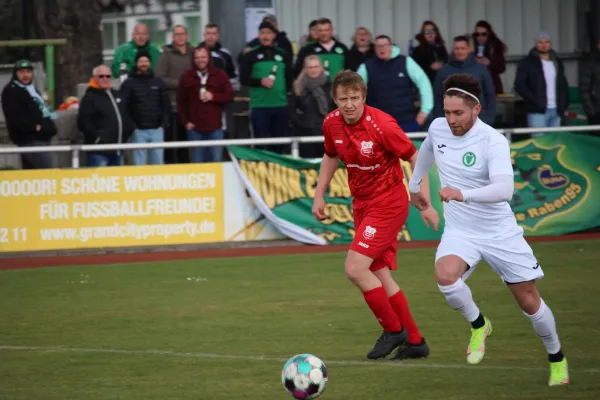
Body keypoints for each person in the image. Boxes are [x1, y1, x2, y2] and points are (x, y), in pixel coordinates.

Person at [407, 73, 569, 386]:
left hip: (499, 233)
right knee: (445, 277)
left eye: (458, 113)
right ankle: (480, 325)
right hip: (461, 231)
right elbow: (427, 149)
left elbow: (504, 190)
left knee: (529, 302)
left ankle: (556, 356)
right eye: (447, 112)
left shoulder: (492, 140)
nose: (451, 120)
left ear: (476, 109)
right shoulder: (439, 126)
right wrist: (415, 185)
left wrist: (461, 194)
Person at [313, 70, 439, 360]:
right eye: (343, 99)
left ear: (364, 97)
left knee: (355, 269)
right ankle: (416, 342)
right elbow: (331, 155)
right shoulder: (331, 123)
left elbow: (415, 157)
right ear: (334, 99)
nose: (349, 104)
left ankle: (394, 331)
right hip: (363, 204)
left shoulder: (381, 124)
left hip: (389, 203)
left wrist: (425, 203)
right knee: (379, 274)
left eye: (355, 98)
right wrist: (319, 194)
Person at [177, 46, 234, 163]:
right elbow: (180, 101)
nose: (200, 60)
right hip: (195, 129)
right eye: (197, 57)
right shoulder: (186, 76)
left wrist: (214, 96)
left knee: (216, 162)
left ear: (209, 58)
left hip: (215, 128)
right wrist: (186, 122)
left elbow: (229, 96)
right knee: (197, 164)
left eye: (203, 57)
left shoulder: (220, 75)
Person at [1, 59, 57, 169]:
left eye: (28, 72)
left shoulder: (32, 90)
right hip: (30, 140)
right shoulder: (11, 91)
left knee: (33, 177)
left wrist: (50, 126)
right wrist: (35, 127)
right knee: (49, 174)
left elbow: (45, 111)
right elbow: (14, 117)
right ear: (16, 74)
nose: (25, 75)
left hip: (43, 138)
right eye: (21, 72)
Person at [120, 50, 171, 166]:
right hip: (138, 131)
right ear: (136, 63)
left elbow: (165, 105)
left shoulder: (158, 82)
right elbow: (123, 107)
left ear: (150, 63)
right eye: (141, 61)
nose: (144, 63)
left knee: (158, 165)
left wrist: (163, 125)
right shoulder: (129, 83)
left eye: (146, 61)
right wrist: (133, 127)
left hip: (157, 130)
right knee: (139, 165)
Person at [78, 65, 134, 167]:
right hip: (99, 151)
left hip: (118, 149)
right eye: (101, 76)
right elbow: (83, 121)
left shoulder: (117, 94)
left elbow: (126, 115)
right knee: (99, 180)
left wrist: (128, 131)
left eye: (108, 76)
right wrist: (97, 138)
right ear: (95, 78)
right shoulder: (89, 97)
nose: (105, 79)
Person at [291, 55, 335, 158]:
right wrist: (301, 123)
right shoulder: (298, 87)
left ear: (321, 68)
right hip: (306, 132)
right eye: (310, 67)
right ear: (305, 69)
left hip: (328, 132)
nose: (313, 70)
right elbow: (291, 109)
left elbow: (337, 108)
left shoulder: (331, 87)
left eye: (316, 66)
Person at [412, 20, 449, 85]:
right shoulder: (417, 50)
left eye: (432, 31)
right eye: (427, 32)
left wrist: (442, 65)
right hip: (426, 84)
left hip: (442, 84)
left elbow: (448, 63)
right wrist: (430, 67)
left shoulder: (442, 48)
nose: (430, 34)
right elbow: (414, 70)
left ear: (436, 33)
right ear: (423, 34)